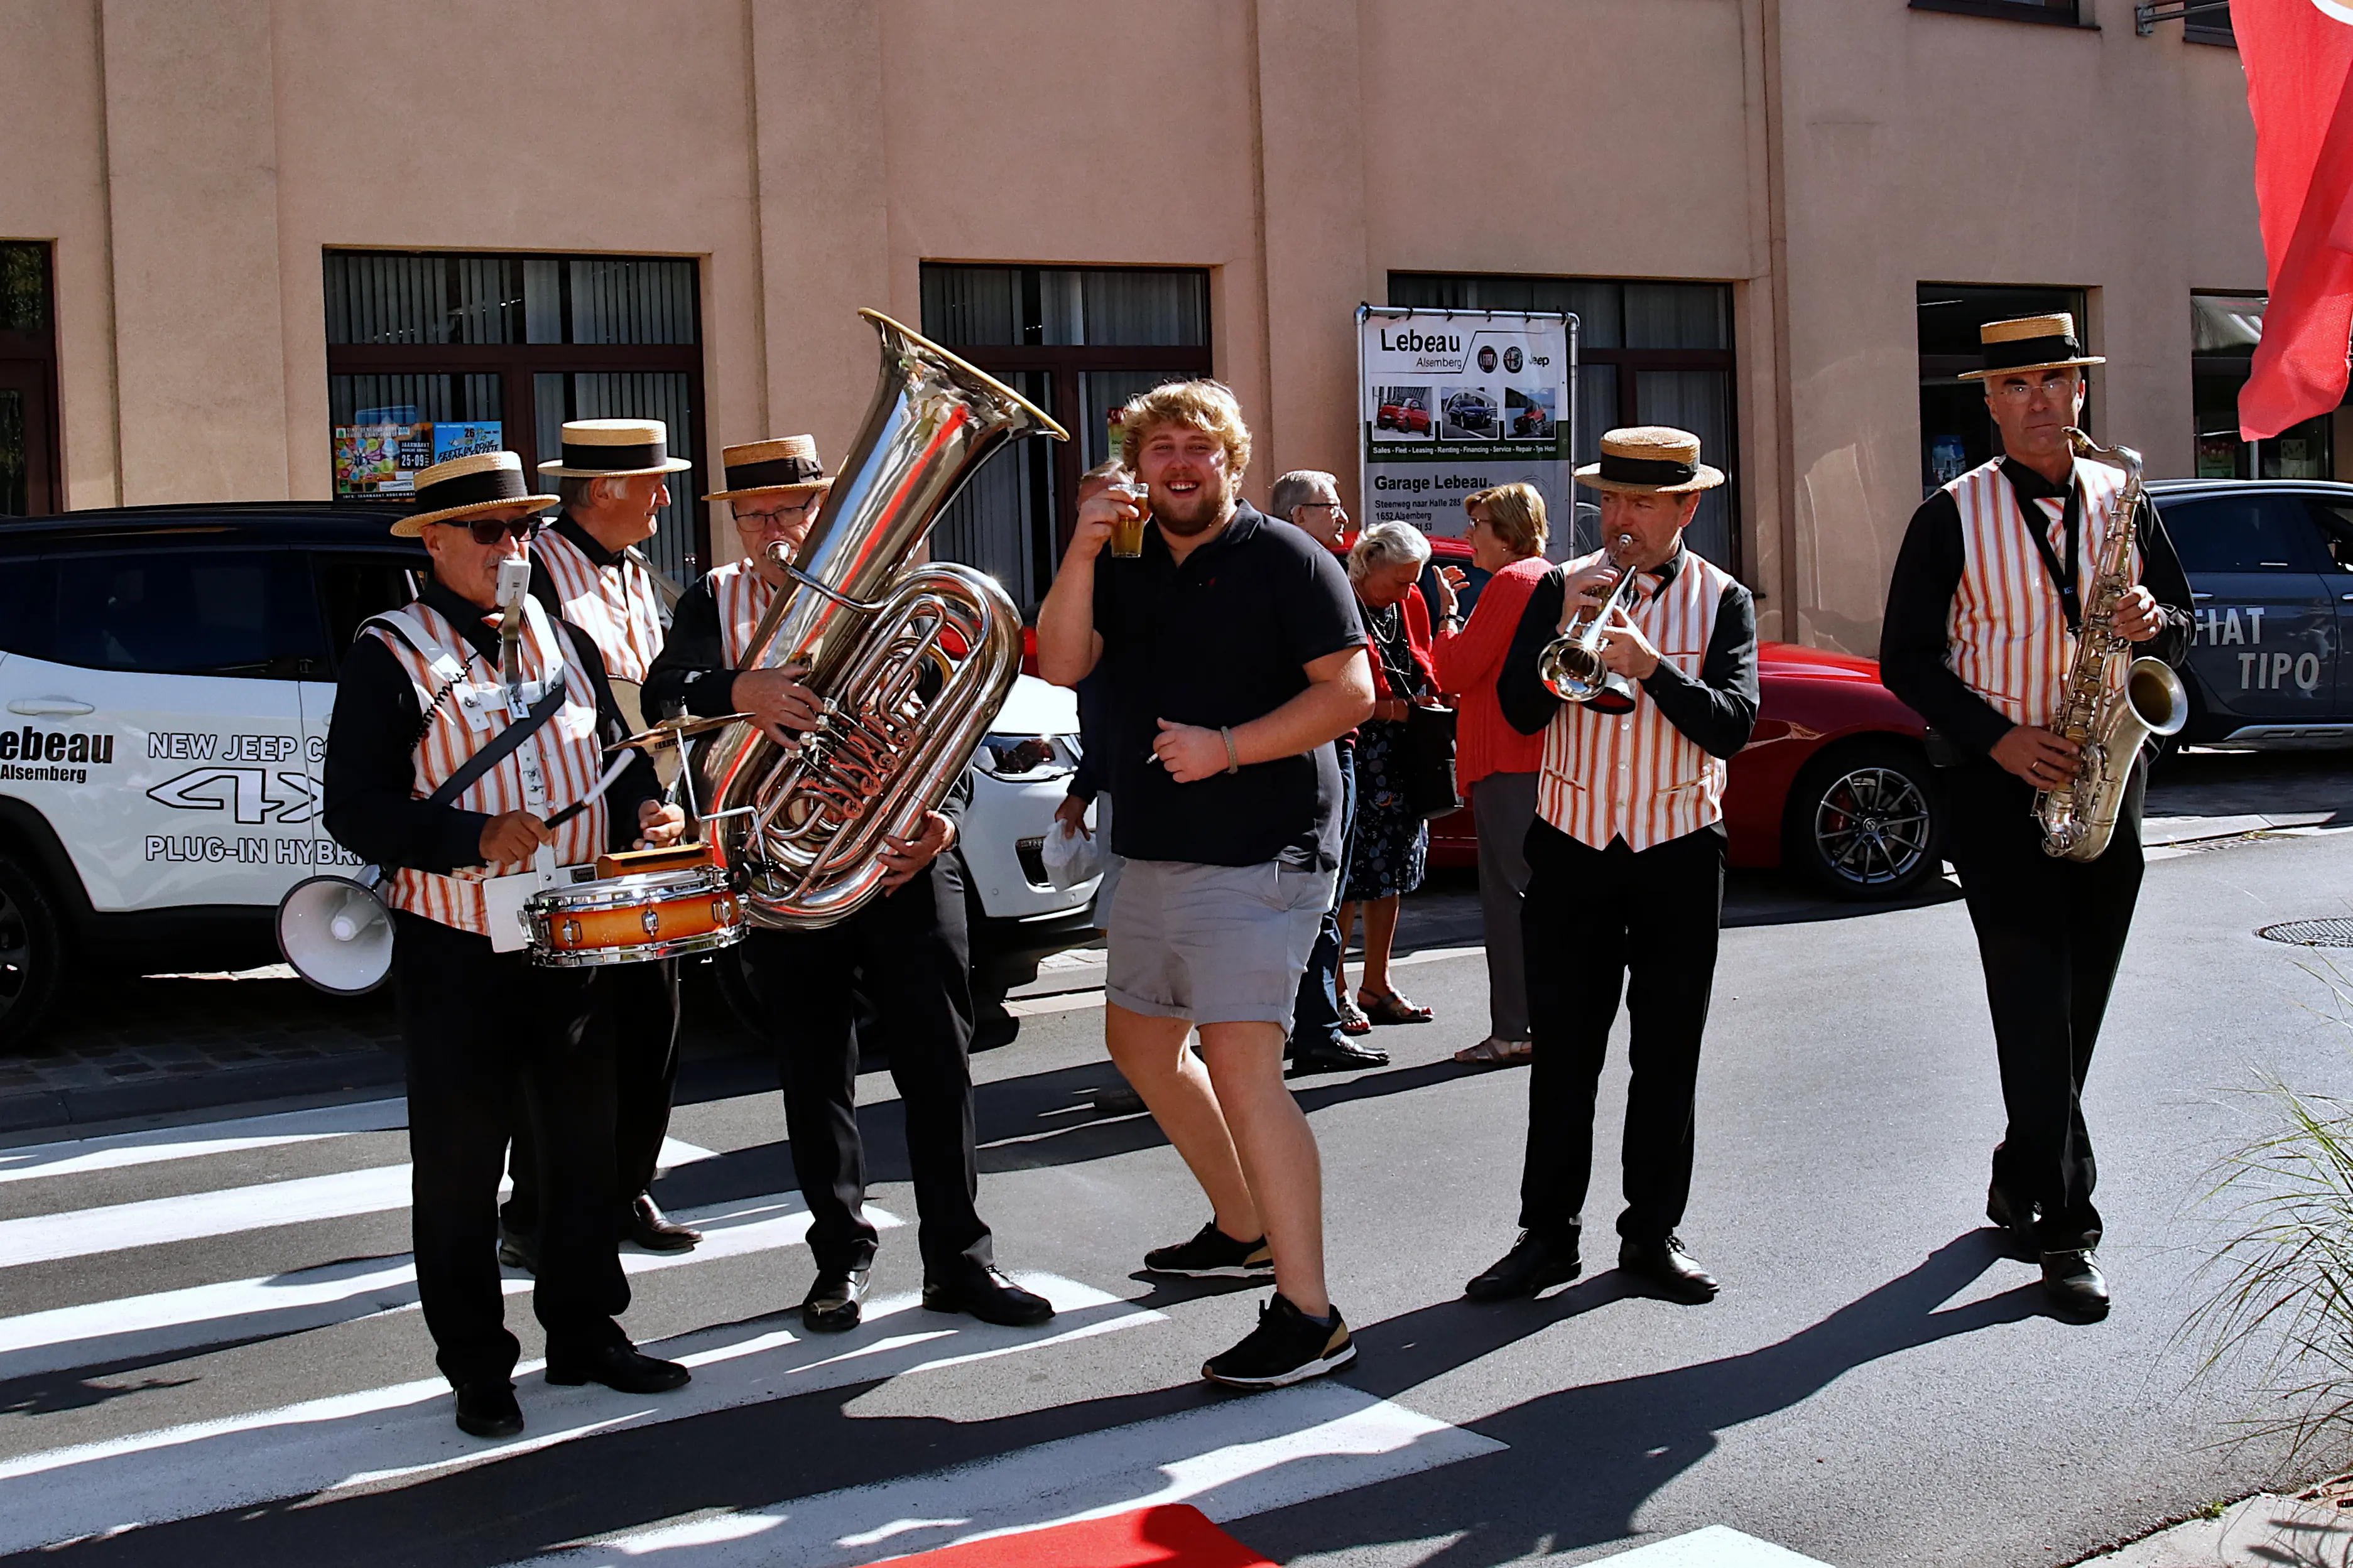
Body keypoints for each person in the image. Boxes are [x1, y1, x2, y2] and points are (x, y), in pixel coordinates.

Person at [642, 435, 1054, 1336]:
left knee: (939, 1060)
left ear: (825, 507)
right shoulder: (713, 596)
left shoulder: (902, 584)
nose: (776, 530)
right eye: (756, 515)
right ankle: (840, 1256)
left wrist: (943, 815)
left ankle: (961, 1260)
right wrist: (737, 687)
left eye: (793, 510)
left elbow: (967, 706)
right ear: (735, 522)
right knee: (813, 1068)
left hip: (905, 855)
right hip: (786, 864)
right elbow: (659, 694)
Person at [322, 451, 692, 1439]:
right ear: (434, 540)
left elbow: (607, 769)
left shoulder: (558, 634)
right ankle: (478, 1366)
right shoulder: (387, 650)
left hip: (567, 928)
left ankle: (584, 1333)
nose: (509, 546)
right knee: (459, 1162)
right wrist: (467, 839)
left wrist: (646, 813)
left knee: (583, 1150)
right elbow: (351, 809)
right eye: (487, 531)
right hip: (454, 945)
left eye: (520, 528)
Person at [1036, 381, 1374, 1388]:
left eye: (1199, 447)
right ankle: (1243, 1228)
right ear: (1136, 465)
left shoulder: (1286, 558)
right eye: (1160, 449)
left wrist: (1229, 747)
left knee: (1242, 1068)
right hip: (1155, 845)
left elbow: (1350, 695)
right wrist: (1085, 547)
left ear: (1229, 459)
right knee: (1138, 1042)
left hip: (1261, 849)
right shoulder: (1126, 559)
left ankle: (1311, 1314)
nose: (1179, 464)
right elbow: (1060, 662)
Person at [1879, 314, 2192, 1319]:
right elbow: (1906, 661)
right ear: (1989, 402)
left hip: (2107, 775)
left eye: (2057, 379)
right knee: (2031, 1002)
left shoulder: (2121, 498)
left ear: (2080, 389)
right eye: (2018, 386)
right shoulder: (1948, 514)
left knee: (2077, 1004)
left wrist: (2156, 623)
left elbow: (2179, 623)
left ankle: (2022, 1165)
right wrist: (1998, 741)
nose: (2042, 400)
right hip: (1996, 784)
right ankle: (2066, 1230)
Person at [1465, 426, 1757, 1308]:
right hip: (1572, 847)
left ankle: (1652, 1234)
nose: (1620, 520)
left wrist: (1655, 667)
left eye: (1640, 503)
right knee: (1564, 1055)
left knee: (1667, 1054)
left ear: (1685, 507)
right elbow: (1518, 711)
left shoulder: (1723, 600)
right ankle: (1545, 1237)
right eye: (1610, 502)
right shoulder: (1556, 586)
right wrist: (1557, 625)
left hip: (1676, 850)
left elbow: (1732, 723)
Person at [498, 418, 701, 1273]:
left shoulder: (638, 572)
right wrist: (629, 801)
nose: (664, 496)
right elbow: (531, 705)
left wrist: (673, 797)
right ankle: (536, 1204)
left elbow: (653, 699)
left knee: (653, 1018)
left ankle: (625, 1184)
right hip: (570, 830)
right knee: (565, 1031)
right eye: (653, 482)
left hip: (650, 821)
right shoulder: (534, 569)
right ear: (607, 490)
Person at [1428, 484, 1553, 1068]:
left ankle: (1514, 1030)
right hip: (1525, 757)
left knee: (1509, 899)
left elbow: (1453, 669)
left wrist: (1446, 615)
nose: (1470, 533)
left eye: (1477, 522)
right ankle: (1531, 1022)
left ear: (1504, 529)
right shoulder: (1538, 576)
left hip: (1509, 758)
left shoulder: (1512, 581)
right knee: (1530, 895)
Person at [1266, 469, 1384, 1072]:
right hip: (1318, 746)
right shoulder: (1305, 575)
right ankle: (1314, 1027)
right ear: (1297, 516)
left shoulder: (1290, 571)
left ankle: (1301, 1022)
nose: (1342, 517)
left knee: (1313, 893)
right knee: (1318, 892)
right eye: (1329, 507)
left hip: (1313, 744)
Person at [1339, 522, 1440, 1029]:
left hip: (1405, 755)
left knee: (1394, 871)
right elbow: (1337, 694)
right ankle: (1335, 988)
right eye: (1401, 580)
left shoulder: (1410, 602)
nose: (1408, 591)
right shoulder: (1340, 600)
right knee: (1350, 878)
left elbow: (1424, 662)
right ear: (1369, 561)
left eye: (1413, 581)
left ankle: (1376, 983)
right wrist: (1396, 712)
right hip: (1361, 751)